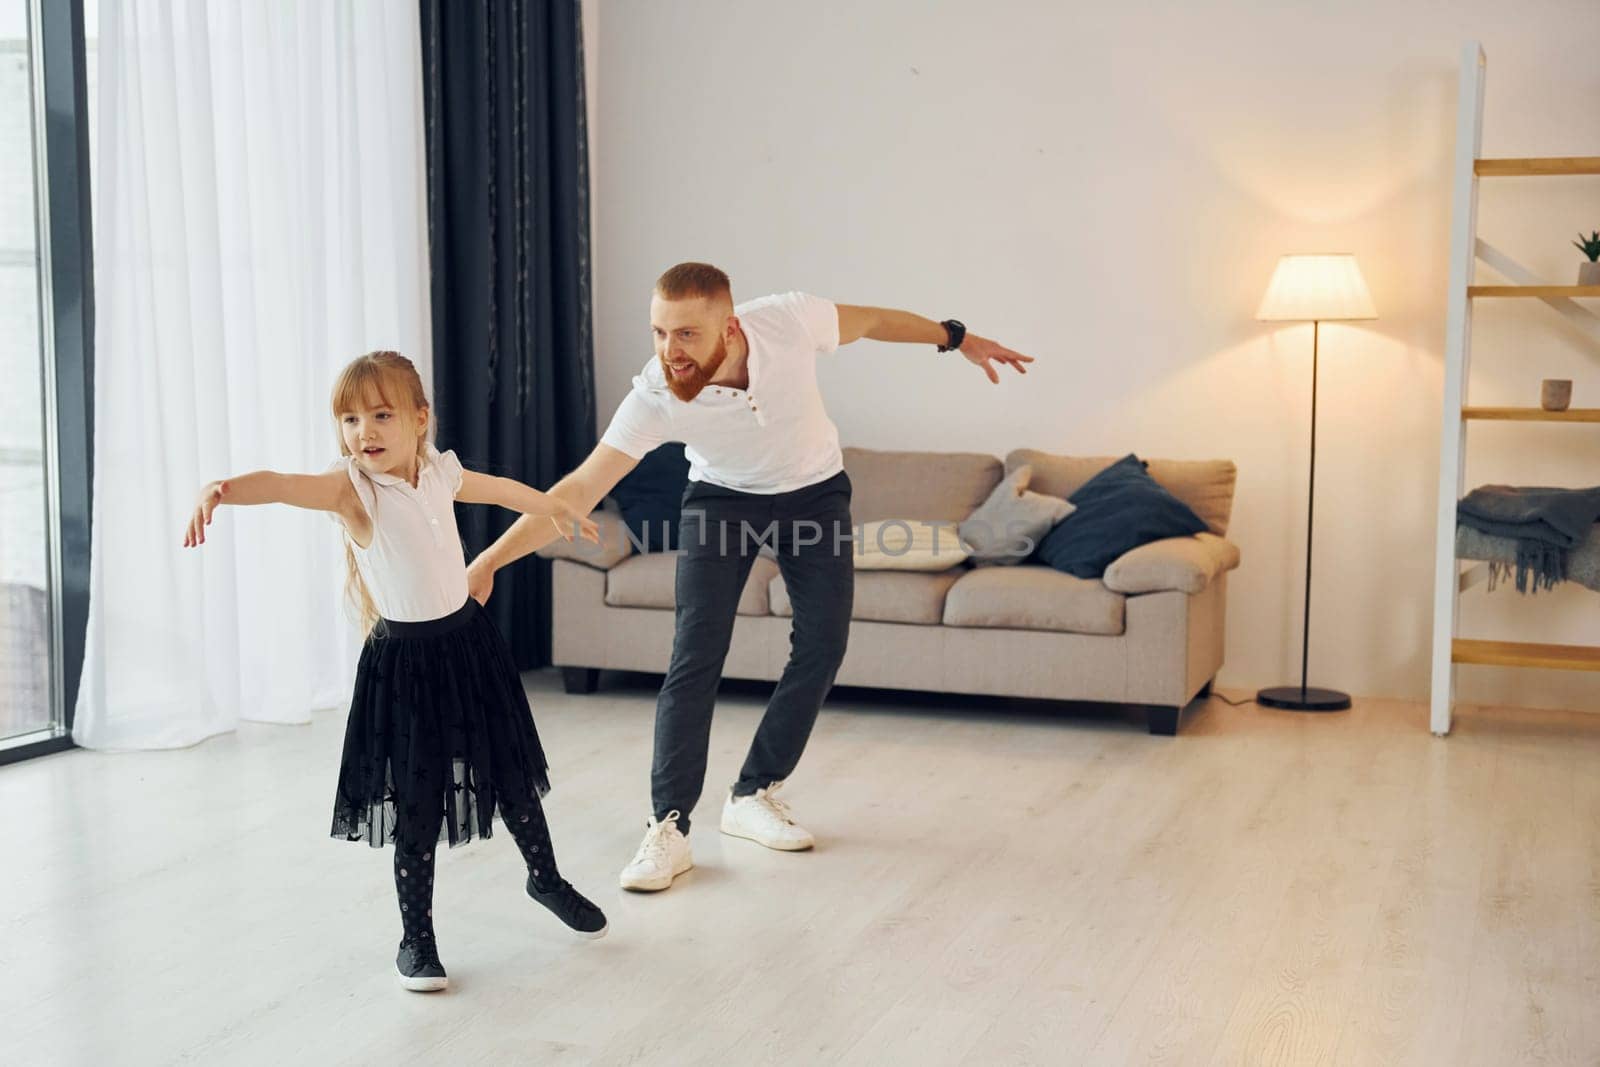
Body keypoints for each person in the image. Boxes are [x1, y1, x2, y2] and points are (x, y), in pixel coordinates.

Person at [466, 264, 1033, 893]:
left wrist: (955, 337)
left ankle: (752, 793)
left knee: (823, 644)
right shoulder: (656, 394)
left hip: (815, 494)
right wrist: (487, 562)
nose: (669, 351)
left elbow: (871, 321)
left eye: (685, 335)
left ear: (730, 327)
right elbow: (575, 491)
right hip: (721, 499)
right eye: (658, 332)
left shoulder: (788, 320)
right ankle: (670, 829)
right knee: (695, 654)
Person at [182, 350, 610, 991]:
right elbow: (282, 483)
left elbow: (499, 490)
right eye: (350, 419)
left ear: (419, 419)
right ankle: (417, 940)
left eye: (381, 415)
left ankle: (545, 879)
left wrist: (554, 508)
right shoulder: (351, 490)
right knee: (416, 804)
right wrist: (222, 490)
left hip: (469, 645)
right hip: (407, 666)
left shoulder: (438, 473)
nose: (364, 432)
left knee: (513, 774)